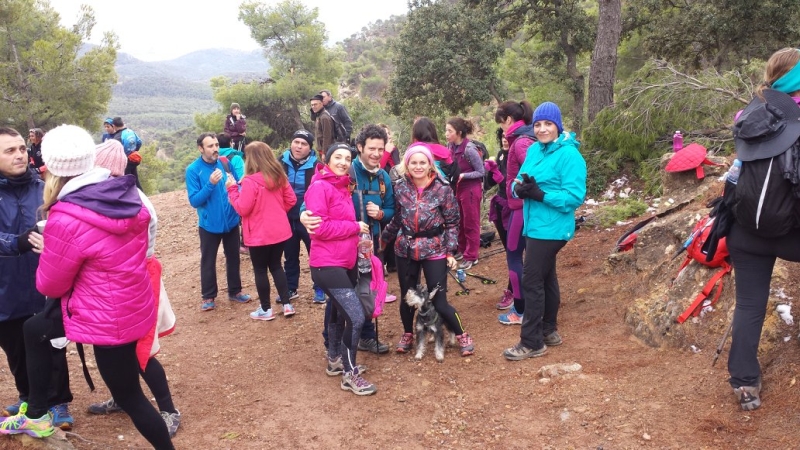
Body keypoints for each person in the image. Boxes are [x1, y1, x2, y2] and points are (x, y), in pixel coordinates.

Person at [0, 125, 174, 448]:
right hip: (128, 302)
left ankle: (38, 413)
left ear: (52, 166)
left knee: (131, 398)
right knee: (35, 328)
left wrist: (50, 249)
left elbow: (51, 283)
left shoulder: (66, 215)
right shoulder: (124, 194)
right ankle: (37, 412)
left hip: (104, 316)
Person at [86, 139, 181, 437]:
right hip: (121, 280)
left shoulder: (129, 199)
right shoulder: (113, 194)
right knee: (116, 347)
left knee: (142, 349)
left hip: (136, 278)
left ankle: (169, 410)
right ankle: (123, 394)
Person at [725, 48, 800, 411]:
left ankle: (744, 383)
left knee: (749, 304)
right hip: (791, 232)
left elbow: (735, 174)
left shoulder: (748, 115)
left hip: (746, 231)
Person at [0, 127, 73, 434]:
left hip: (45, 281)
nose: (19, 155)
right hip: (5, 286)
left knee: (51, 341)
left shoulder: (44, 187)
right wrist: (15, 243)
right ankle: (28, 396)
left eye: (21, 148)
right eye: (10, 150)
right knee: (15, 347)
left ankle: (58, 402)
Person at [504, 102, 586, 361]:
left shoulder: (569, 155)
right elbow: (518, 180)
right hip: (535, 225)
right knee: (547, 277)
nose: (542, 129)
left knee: (531, 281)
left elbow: (574, 196)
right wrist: (520, 189)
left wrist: (541, 195)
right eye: (538, 124)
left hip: (552, 228)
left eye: (548, 124)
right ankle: (548, 330)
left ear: (557, 126)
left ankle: (531, 342)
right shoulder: (535, 150)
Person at [380, 145, 475, 357]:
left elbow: (452, 222)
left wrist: (450, 251)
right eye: (413, 162)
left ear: (430, 164)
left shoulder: (442, 189)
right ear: (407, 165)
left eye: (422, 162)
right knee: (408, 296)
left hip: (435, 248)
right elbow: (397, 218)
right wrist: (383, 239)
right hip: (405, 249)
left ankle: (462, 334)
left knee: (439, 301)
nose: (418, 166)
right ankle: (408, 333)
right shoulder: (400, 188)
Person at [313, 125, 394, 354]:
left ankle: (366, 336)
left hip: (369, 243)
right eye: (371, 148)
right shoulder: (346, 171)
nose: (376, 154)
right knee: (340, 295)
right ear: (360, 147)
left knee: (367, 290)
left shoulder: (383, 177)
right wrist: (303, 214)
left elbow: (391, 208)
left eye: (380, 149)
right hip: (341, 246)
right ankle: (332, 343)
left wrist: (381, 214)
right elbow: (315, 198)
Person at [305, 142, 376, 395]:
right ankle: (349, 374)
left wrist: (358, 240)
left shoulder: (342, 185)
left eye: (347, 158)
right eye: (338, 157)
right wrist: (354, 227)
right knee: (355, 317)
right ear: (327, 159)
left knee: (337, 312)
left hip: (345, 261)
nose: (343, 162)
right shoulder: (320, 186)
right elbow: (319, 229)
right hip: (326, 264)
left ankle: (335, 359)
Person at [227, 141, 297, 321]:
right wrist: (277, 213)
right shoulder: (279, 176)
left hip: (258, 234)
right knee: (276, 266)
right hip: (279, 231)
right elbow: (291, 200)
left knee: (260, 270)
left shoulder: (250, 182)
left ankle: (266, 309)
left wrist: (232, 189)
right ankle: (287, 304)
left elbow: (242, 208)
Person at [185, 132, 252, 311]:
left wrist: (238, 190)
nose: (215, 149)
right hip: (209, 225)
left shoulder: (224, 162)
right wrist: (210, 184)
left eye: (216, 145)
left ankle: (235, 291)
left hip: (231, 221)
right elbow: (194, 201)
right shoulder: (193, 170)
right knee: (208, 260)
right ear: (201, 149)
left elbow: (237, 185)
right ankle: (208, 296)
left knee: (234, 257)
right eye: (210, 146)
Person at [494, 100, 537, 323]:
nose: (502, 130)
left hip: (522, 208)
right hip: (527, 206)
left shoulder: (520, 143)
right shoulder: (529, 136)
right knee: (532, 257)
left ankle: (520, 310)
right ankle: (534, 306)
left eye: (501, 124)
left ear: (509, 120)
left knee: (514, 256)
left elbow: (536, 173)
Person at [445, 117, 485, 270]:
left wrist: (463, 175)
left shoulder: (469, 149)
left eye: (450, 131)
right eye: (446, 130)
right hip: (458, 189)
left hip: (471, 189)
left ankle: (472, 256)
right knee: (460, 221)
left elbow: (481, 172)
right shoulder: (450, 147)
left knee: (471, 223)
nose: (446, 134)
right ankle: (462, 250)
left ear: (459, 133)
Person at [484, 128, 516, 313]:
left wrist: (497, 172)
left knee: (515, 252)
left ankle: (514, 291)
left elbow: (511, 186)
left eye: (508, 136)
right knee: (509, 251)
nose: (505, 139)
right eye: (502, 136)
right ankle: (514, 289)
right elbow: (490, 184)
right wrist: (490, 171)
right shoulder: (501, 155)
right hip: (500, 206)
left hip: (514, 209)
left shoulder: (519, 155)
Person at [111, 117, 143, 190]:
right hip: (134, 158)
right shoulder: (131, 131)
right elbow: (139, 142)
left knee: (126, 181)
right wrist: (134, 150)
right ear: (122, 123)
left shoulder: (118, 137)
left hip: (126, 161)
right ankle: (141, 194)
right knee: (135, 178)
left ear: (113, 126)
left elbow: (115, 152)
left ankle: (130, 195)